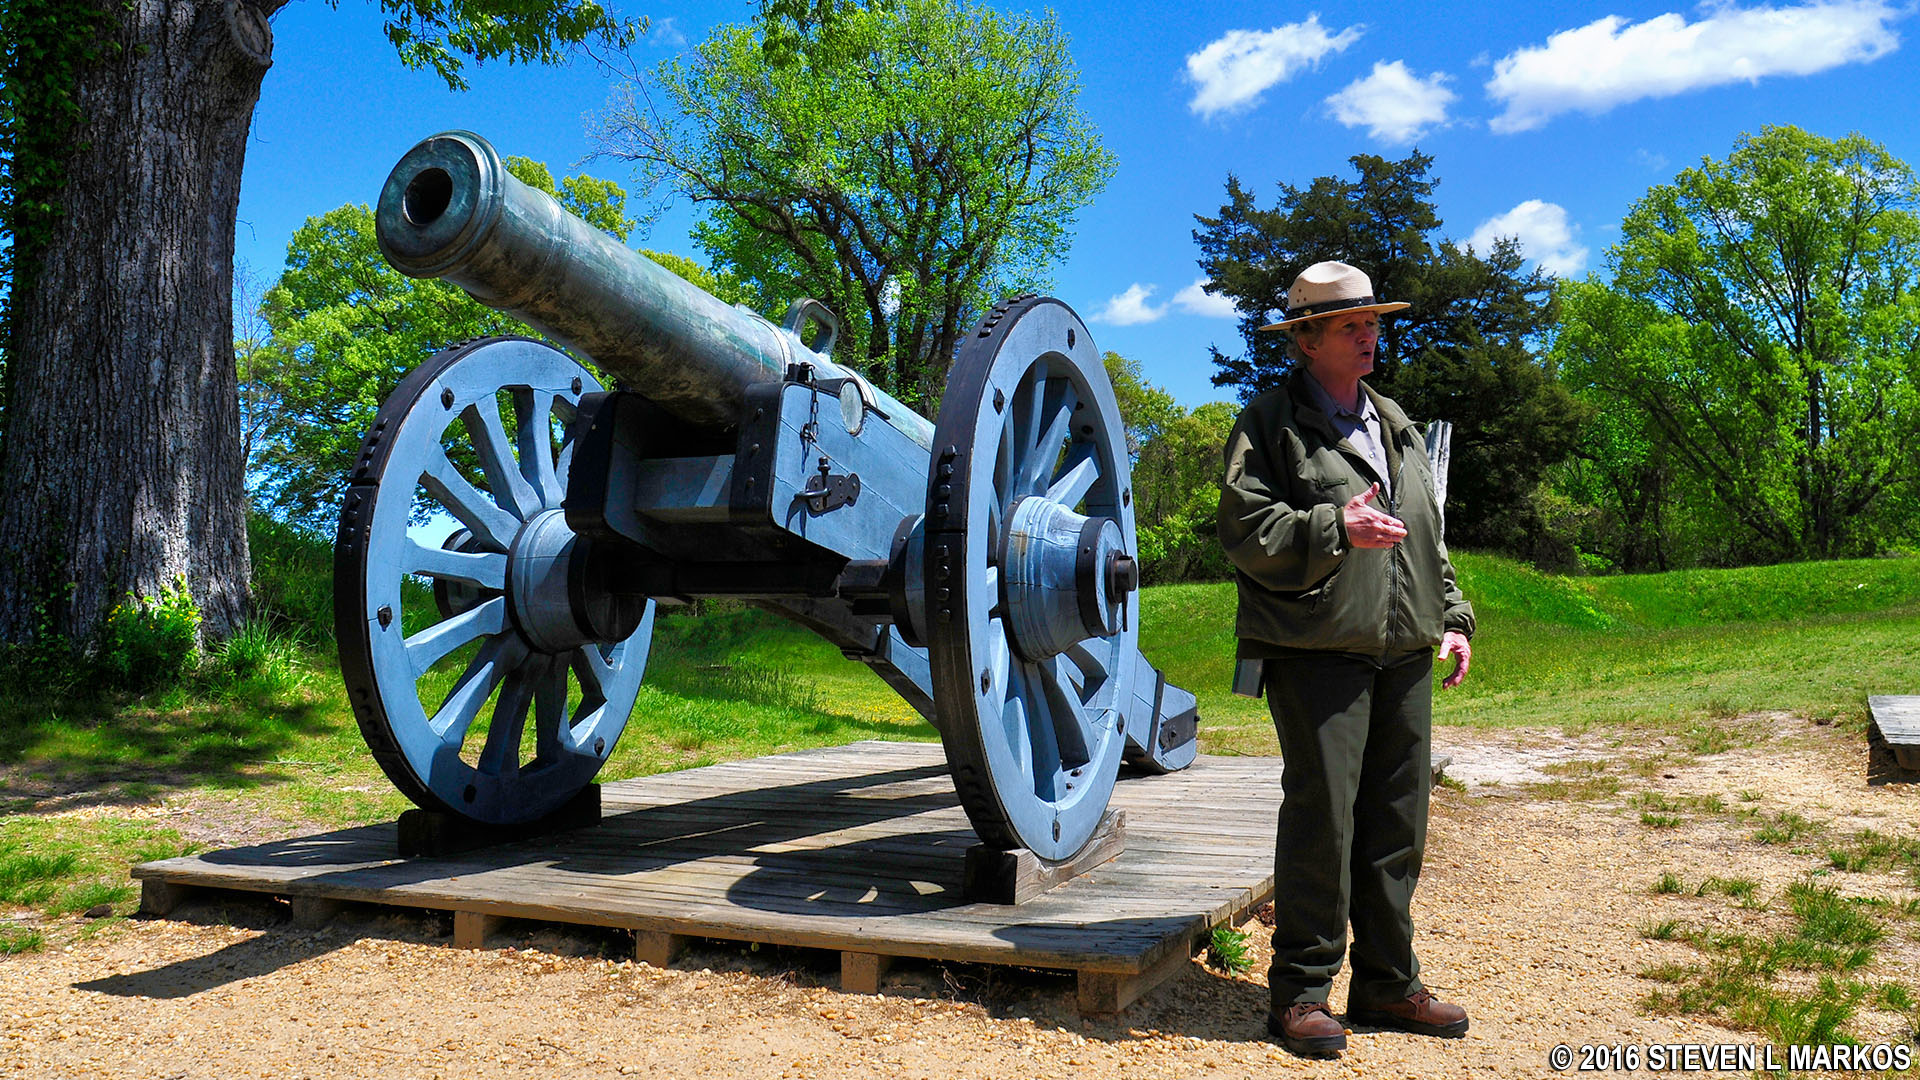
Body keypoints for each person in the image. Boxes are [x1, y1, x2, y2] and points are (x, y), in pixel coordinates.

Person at [1216, 260, 1475, 1058]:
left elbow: (1425, 529)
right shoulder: (1269, 424)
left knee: (1398, 822)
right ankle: (1299, 992)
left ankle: (1388, 983)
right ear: (1307, 338)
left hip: (1404, 650)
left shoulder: (1394, 421)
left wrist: (1454, 616)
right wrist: (1335, 529)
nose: (1370, 336)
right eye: (1350, 326)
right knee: (1323, 820)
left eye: (1373, 323)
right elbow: (1247, 533)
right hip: (1315, 651)